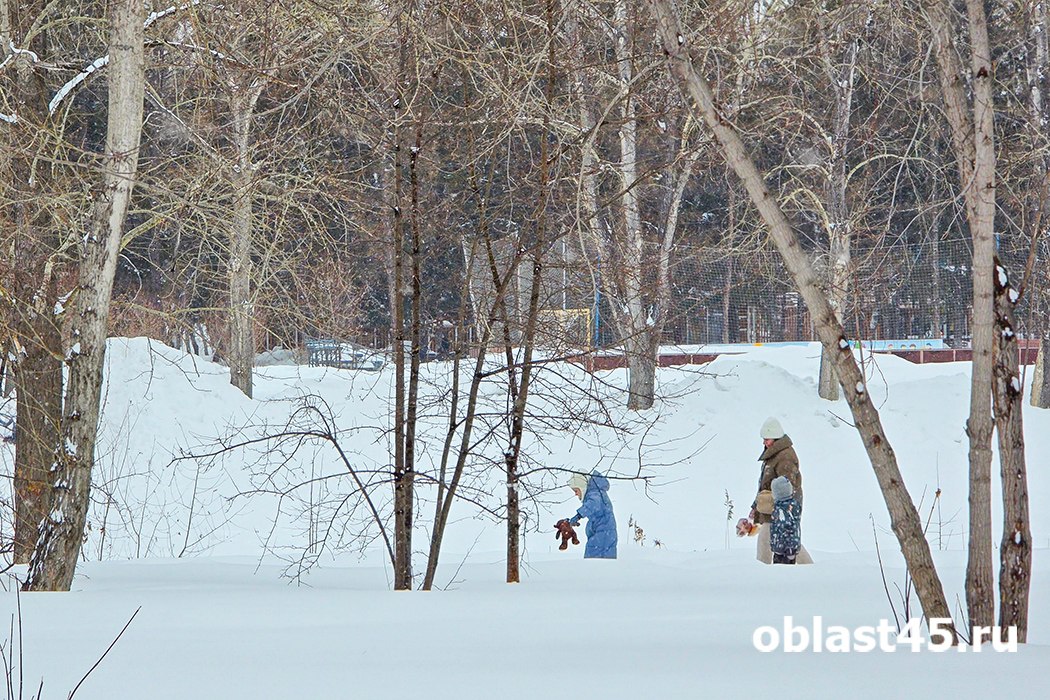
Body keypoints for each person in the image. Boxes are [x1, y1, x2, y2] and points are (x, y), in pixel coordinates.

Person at [749, 417, 812, 564]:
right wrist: (755, 507)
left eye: (767, 439)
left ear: (776, 438)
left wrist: (782, 509)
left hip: (782, 508)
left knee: (771, 540)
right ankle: (809, 568)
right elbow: (765, 485)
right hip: (774, 507)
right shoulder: (774, 455)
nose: (764, 442)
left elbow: (787, 486)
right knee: (788, 542)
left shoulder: (785, 457)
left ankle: (762, 570)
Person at [565, 471, 617, 559]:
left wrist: (578, 516)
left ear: (582, 487)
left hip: (603, 534)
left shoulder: (595, 494)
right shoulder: (596, 493)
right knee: (597, 560)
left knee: (594, 561)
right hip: (602, 533)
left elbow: (592, 504)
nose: (575, 494)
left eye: (576, 490)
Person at [769, 476, 801, 565]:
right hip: (780, 547)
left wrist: (790, 548)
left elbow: (790, 528)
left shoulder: (785, 509)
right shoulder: (782, 506)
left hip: (786, 550)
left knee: (784, 570)